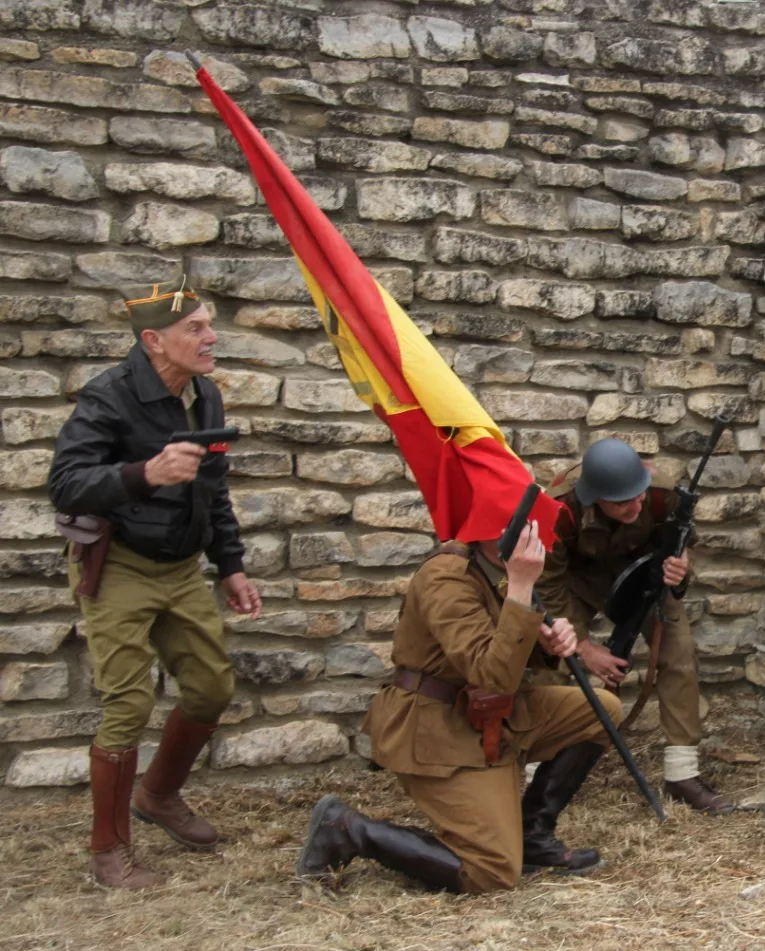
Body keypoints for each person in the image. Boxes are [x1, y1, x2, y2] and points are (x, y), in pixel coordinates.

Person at [48, 278, 263, 889]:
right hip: (117, 565)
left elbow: (213, 489)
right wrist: (145, 472)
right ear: (153, 340)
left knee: (211, 688)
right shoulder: (109, 397)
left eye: (209, 324)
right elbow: (66, 484)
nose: (210, 336)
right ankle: (108, 852)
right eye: (195, 327)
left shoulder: (206, 397)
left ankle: (159, 796)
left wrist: (231, 565)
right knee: (129, 703)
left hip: (181, 568)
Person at [297, 517, 625, 894]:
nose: (532, 536)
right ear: (494, 528)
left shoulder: (498, 568)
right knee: (492, 871)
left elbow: (503, 651)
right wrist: (520, 586)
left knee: (600, 710)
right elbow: (490, 672)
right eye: (520, 524)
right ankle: (350, 829)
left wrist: (545, 645)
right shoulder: (446, 577)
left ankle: (533, 836)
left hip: (493, 713)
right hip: (439, 727)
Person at [536, 438, 732, 814]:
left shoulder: (663, 494)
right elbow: (545, 585)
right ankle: (540, 773)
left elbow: (681, 540)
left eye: (638, 496)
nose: (635, 505)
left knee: (678, 650)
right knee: (551, 657)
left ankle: (682, 773)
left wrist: (679, 566)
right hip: (573, 584)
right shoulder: (559, 508)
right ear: (595, 497)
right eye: (622, 501)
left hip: (642, 578)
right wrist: (582, 646)